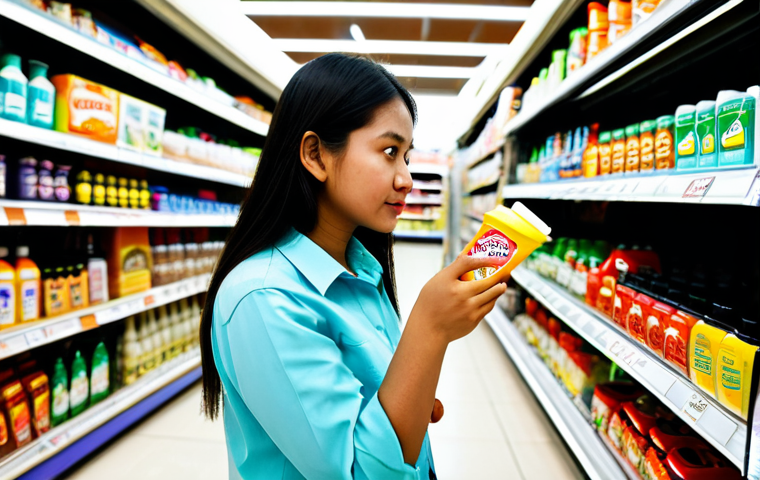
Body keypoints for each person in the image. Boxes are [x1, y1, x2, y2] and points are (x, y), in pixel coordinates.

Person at [199, 53, 506, 480]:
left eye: (407, 156)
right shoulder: (264, 299)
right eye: (388, 151)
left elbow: (379, 399)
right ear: (316, 154)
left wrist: (411, 399)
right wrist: (430, 330)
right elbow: (357, 472)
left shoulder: (360, 267)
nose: (407, 178)